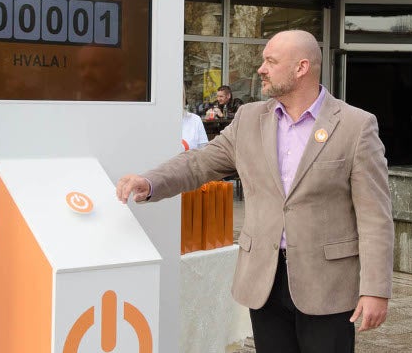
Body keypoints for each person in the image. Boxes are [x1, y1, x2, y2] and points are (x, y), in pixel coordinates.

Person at [116, 30, 394, 353]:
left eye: (271, 62)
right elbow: (199, 163)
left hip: (327, 286)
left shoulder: (355, 126)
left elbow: (375, 217)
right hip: (264, 282)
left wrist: (376, 289)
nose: (261, 68)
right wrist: (150, 182)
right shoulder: (249, 120)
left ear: (301, 68)